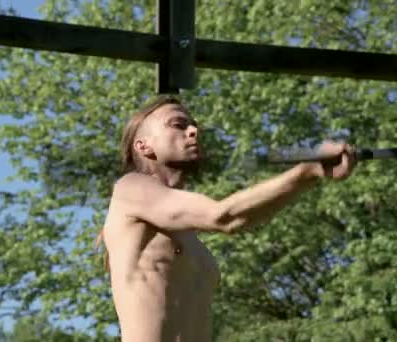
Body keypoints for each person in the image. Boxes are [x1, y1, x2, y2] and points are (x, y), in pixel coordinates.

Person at [98, 95, 356, 342]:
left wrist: (312, 174)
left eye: (194, 126)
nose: (193, 131)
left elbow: (242, 219)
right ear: (144, 146)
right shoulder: (130, 188)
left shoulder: (191, 240)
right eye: (178, 125)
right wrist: (307, 172)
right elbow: (224, 217)